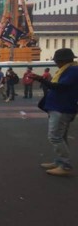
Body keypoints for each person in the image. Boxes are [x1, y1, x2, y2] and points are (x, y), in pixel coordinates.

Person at [31, 48, 78, 177]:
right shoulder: (68, 70)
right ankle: (60, 161)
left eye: (57, 61)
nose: (56, 63)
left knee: (54, 137)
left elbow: (60, 87)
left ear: (63, 61)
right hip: (60, 107)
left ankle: (65, 165)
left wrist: (41, 80)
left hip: (62, 108)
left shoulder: (72, 71)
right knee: (60, 137)